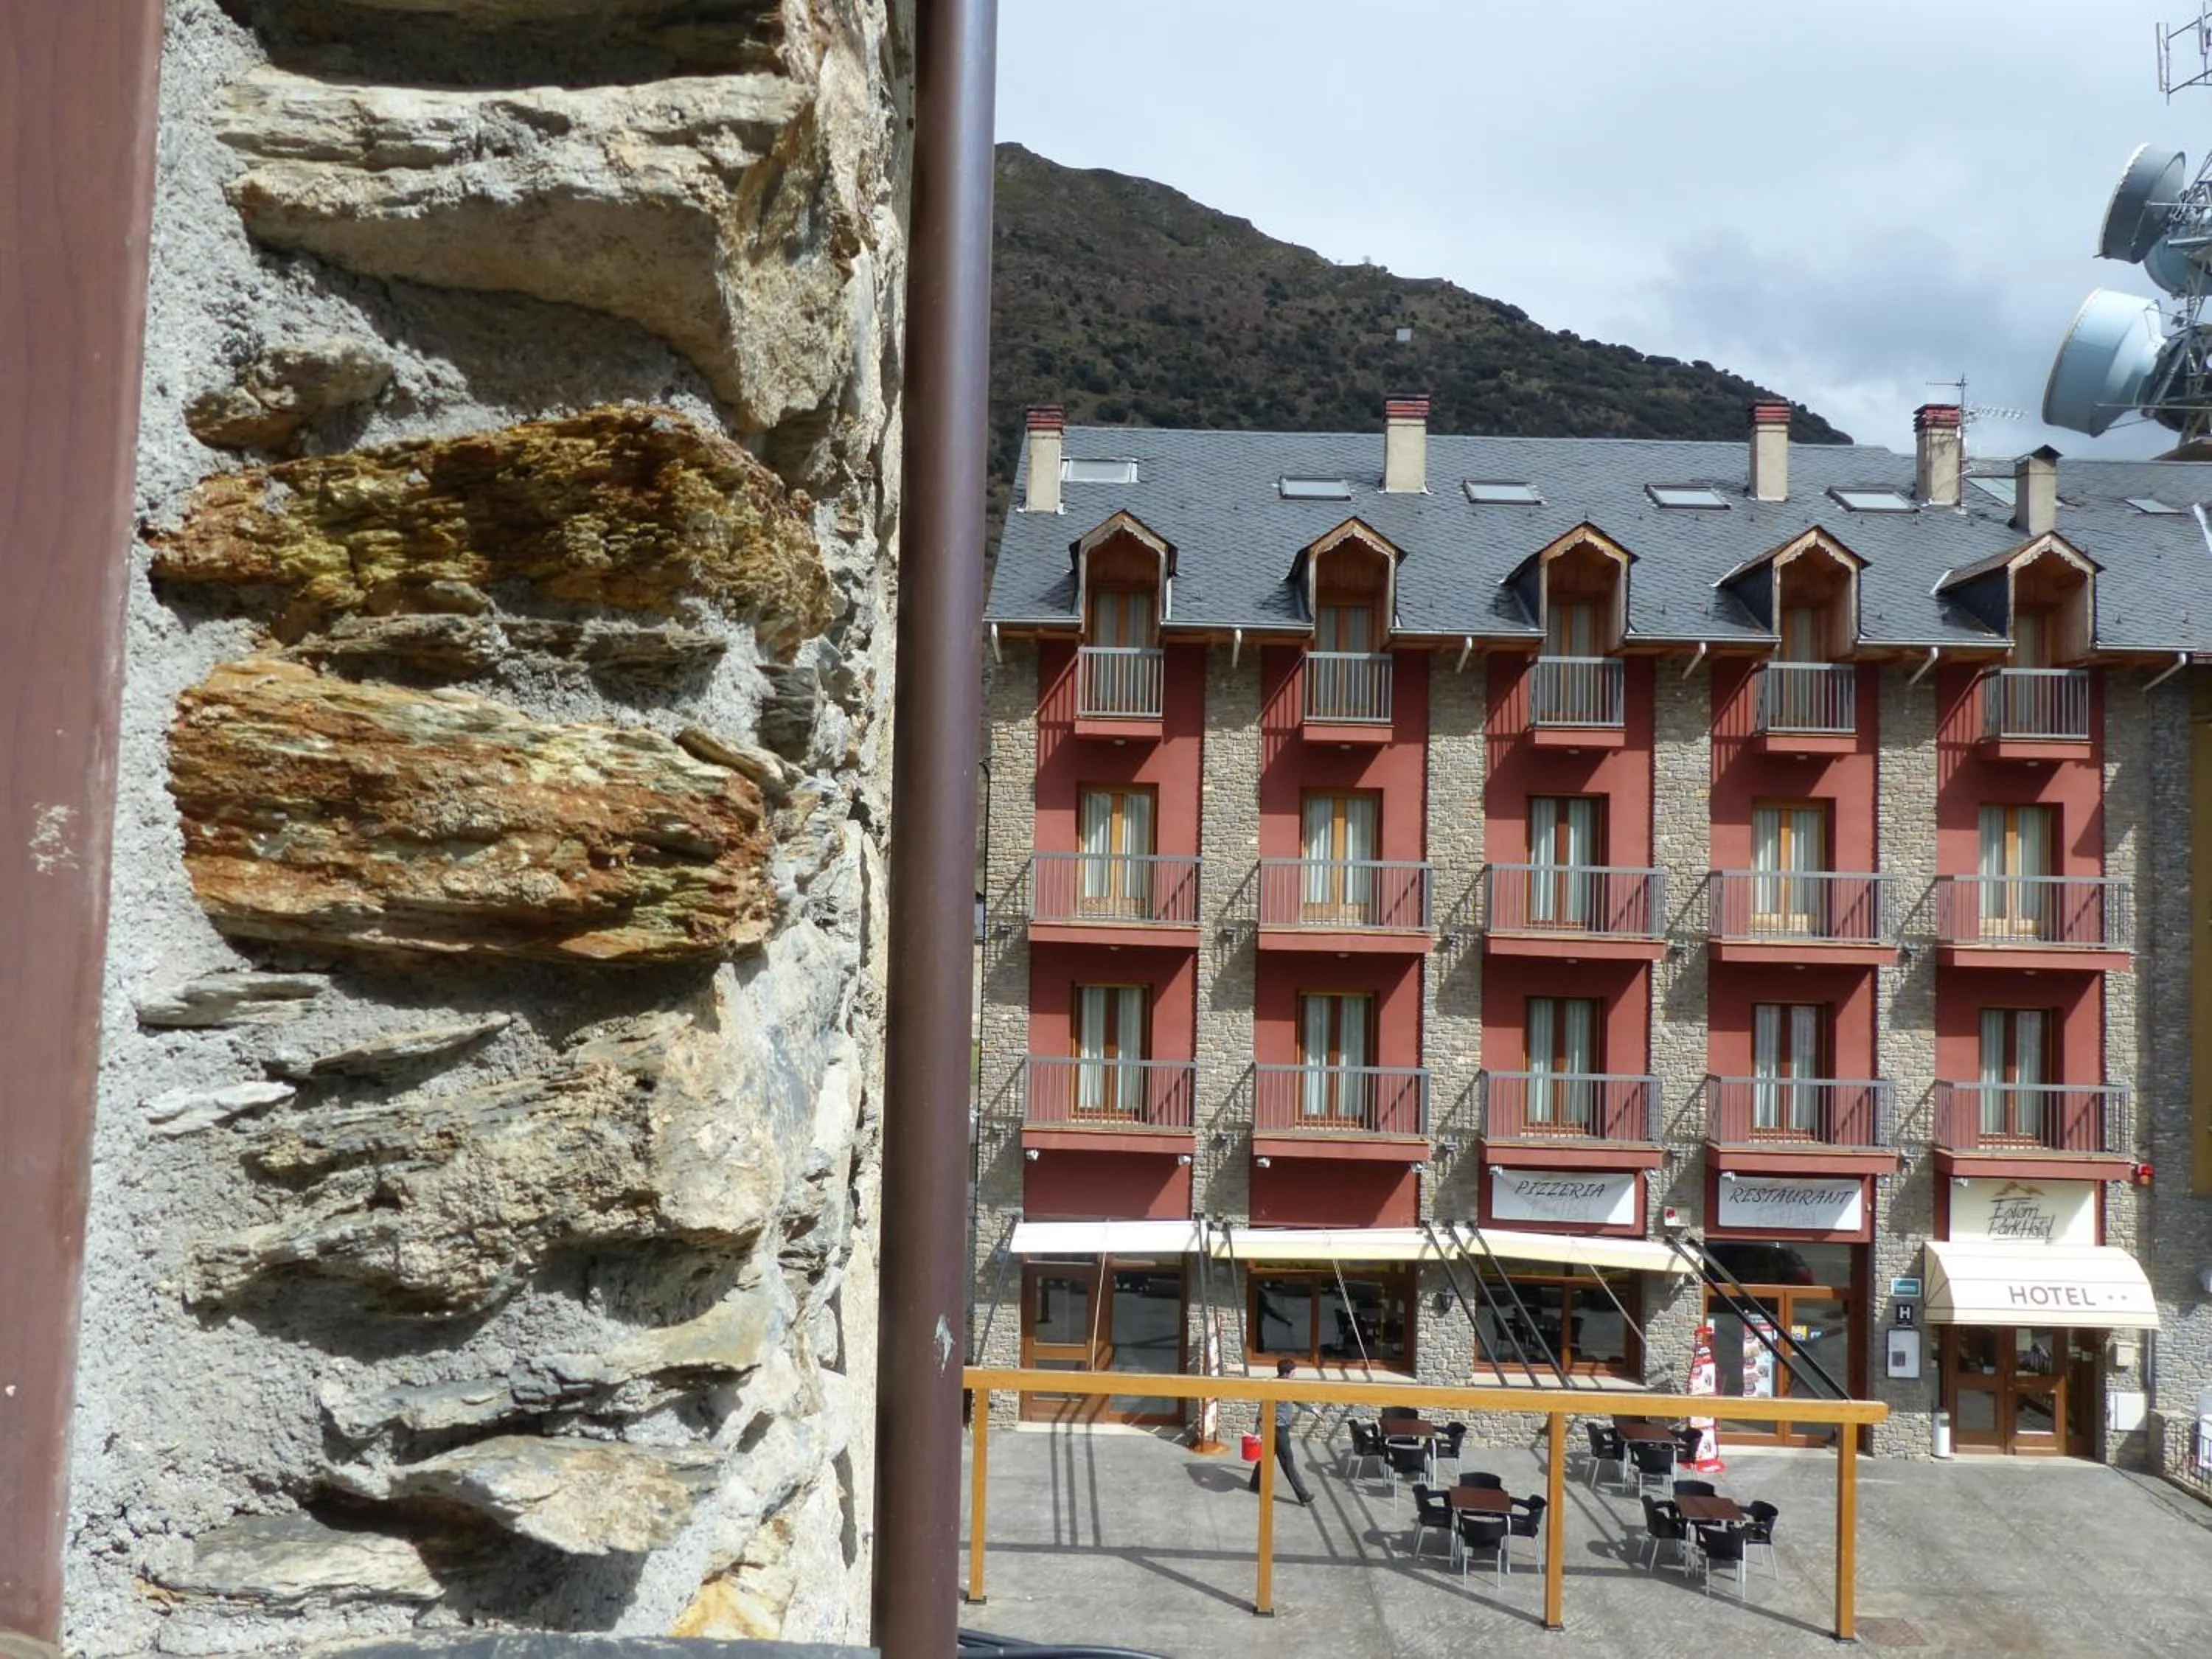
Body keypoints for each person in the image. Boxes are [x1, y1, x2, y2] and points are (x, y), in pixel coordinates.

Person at [1248, 1357, 1315, 1505]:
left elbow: (1296, 1399)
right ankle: (1303, 1495)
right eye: (1293, 1373)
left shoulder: (1284, 1386)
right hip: (1278, 1430)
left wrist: (1312, 1409)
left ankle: (1254, 1485)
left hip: (1278, 1429)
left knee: (1265, 1457)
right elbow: (1262, 1410)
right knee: (1288, 1462)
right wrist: (1258, 1432)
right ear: (1286, 1373)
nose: (1294, 1375)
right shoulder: (1274, 1387)